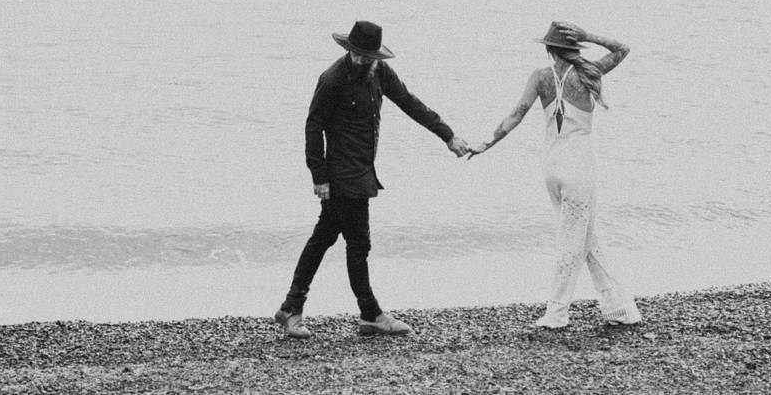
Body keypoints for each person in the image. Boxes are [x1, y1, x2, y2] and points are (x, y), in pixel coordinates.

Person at [273, 20, 471, 339]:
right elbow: (313, 128)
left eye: (369, 55)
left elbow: (409, 102)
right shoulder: (332, 79)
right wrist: (319, 177)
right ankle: (362, 313)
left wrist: (447, 136)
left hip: (362, 172)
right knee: (353, 243)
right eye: (358, 54)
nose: (364, 60)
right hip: (340, 174)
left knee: (330, 238)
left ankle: (296, 308)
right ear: (349, 50)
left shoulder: (379, 72)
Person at [467, 21, 642, 329]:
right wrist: (590, 35)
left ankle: (620, 309)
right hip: (580, 165)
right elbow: (623, 49)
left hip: (551, 165)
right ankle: (557, 312)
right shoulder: (590, 73)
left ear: (549, 50)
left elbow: (516, 115)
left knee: (588, 236)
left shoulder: (540, 77)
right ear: (574, 48)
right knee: (573, 240)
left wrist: (486, 143)